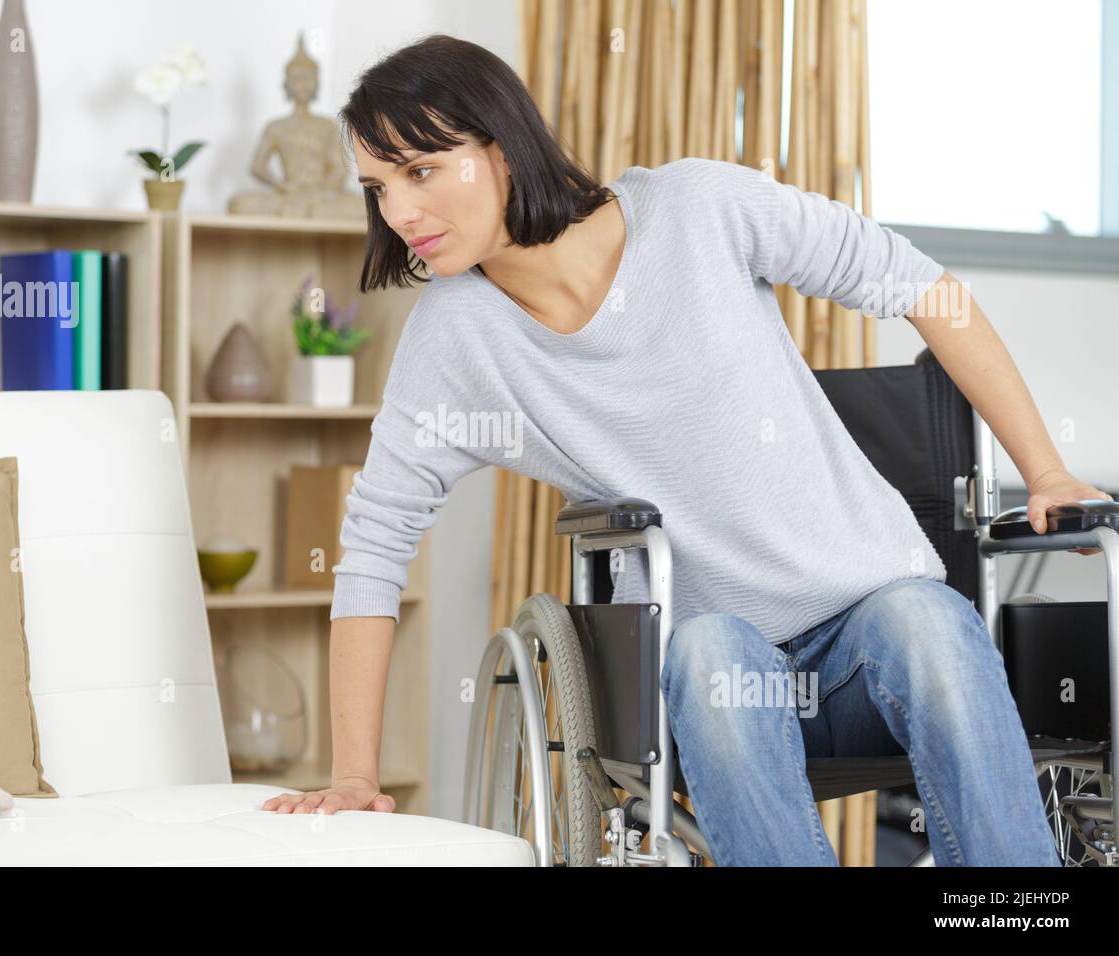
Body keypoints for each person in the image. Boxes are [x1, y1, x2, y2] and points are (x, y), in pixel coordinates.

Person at [259, 33, 1111, 866]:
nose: (398, 212)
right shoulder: (456, 339)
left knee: (927, 616)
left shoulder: (699, 208)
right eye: (377, 187)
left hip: (866, 657)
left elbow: (925, 287)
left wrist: (1044, 467)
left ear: (502, 145)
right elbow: (375, 542)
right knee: (710, 649)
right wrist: (354, 775)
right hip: (711, 680)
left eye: (420, 170)